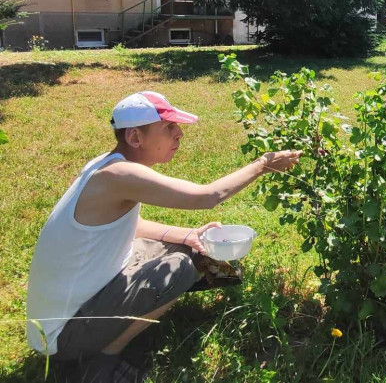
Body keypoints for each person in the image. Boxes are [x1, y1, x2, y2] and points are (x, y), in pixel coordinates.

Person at [26, 91, 301, 383]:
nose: (179, 134)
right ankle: (102, 360)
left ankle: (184, 280)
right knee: (180, 267)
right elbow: (209, 196)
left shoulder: (106, 165)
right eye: (168, 128)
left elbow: (133, 224)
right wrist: (263, 164)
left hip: (75, 308)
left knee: (193, 249)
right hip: (62, 336)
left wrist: (189, 235)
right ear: (135, 138)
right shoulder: (120, 175)